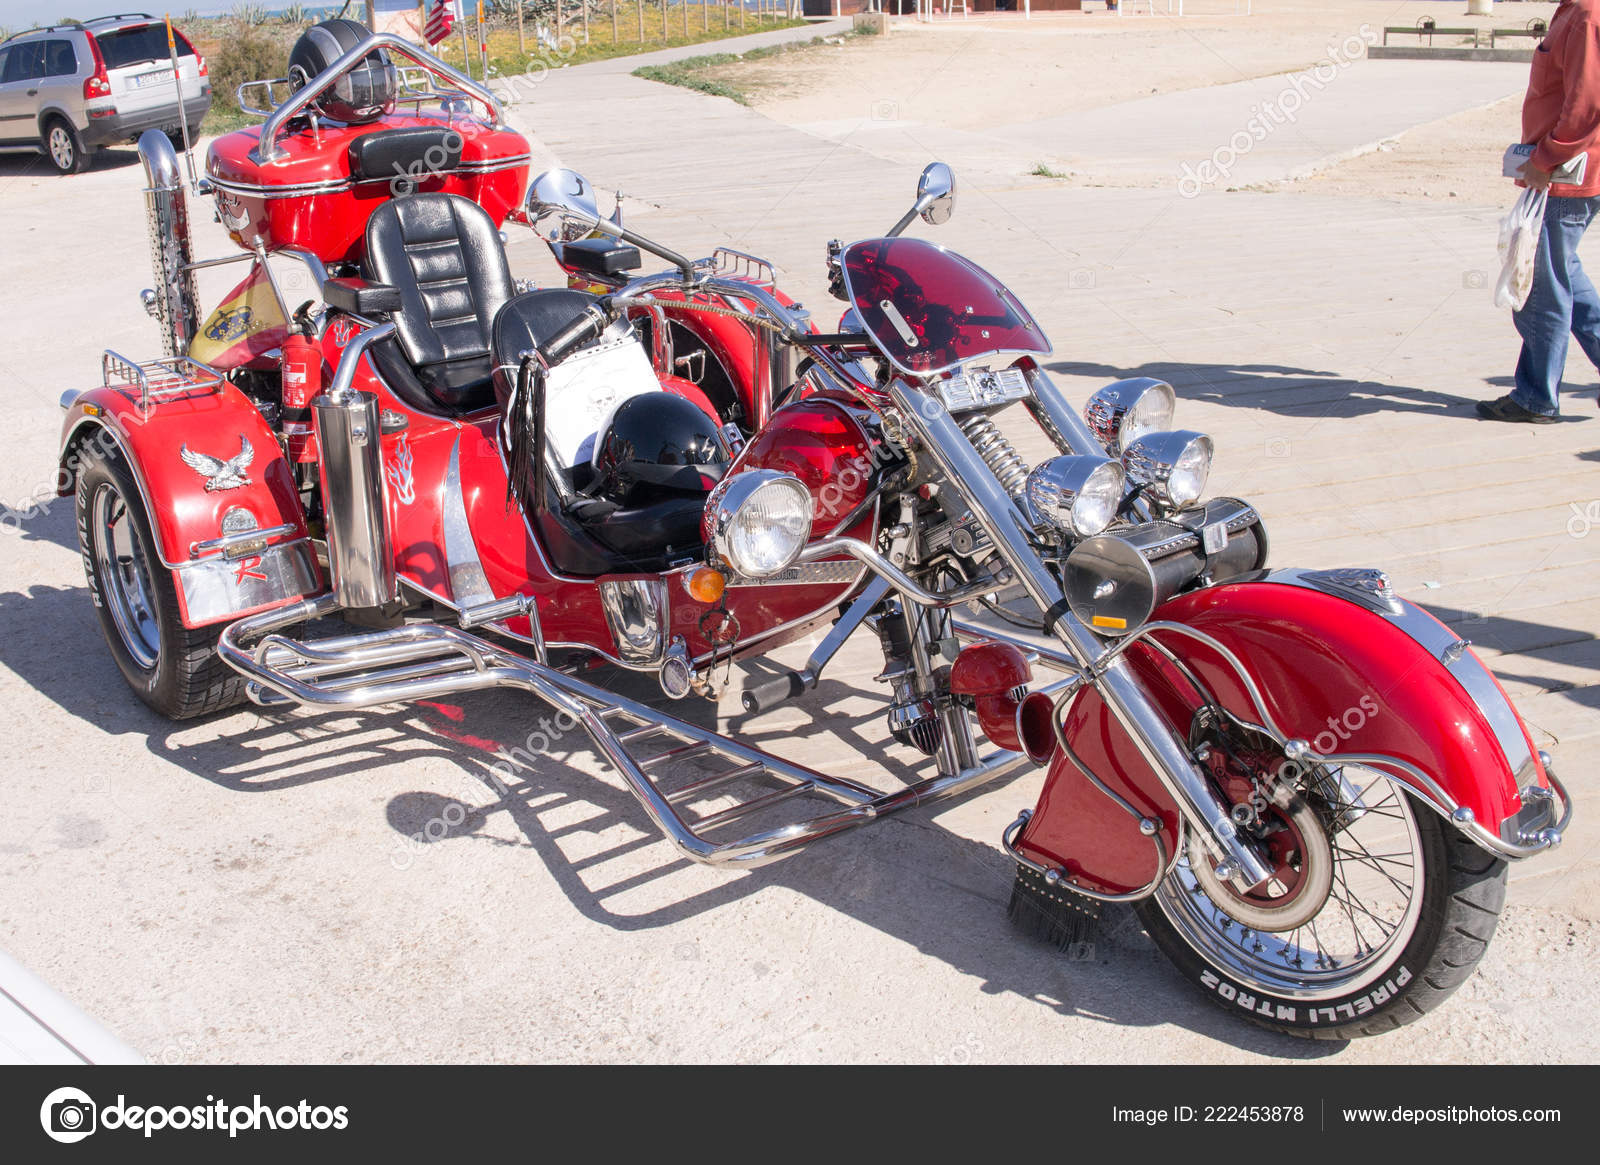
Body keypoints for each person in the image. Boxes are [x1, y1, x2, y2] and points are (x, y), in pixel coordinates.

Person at [1481, 0, 1600, 423]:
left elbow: (1585, 104)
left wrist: (1546, 158)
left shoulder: (1587, 13)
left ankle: (1537, 397)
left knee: (1542, 288)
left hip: (1565, 176)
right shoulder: (1576, 10)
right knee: (1563, 273)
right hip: (1565, 173)